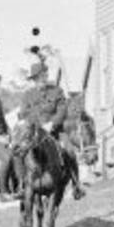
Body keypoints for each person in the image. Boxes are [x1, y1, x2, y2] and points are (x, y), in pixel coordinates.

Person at [17, 60, 86, 200]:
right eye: (37, 78)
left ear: (46, 75)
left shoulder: (57, 91)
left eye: (43, 76)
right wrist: (35, 124)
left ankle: (76, 185)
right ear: (34, 79)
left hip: (55, 132)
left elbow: (62, 110)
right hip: (34, 132)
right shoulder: (27, 95)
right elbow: (24, 113)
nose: (41, 80)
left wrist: (52, 124)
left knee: (70, 151)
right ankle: (20, 185)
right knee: (19, 150)